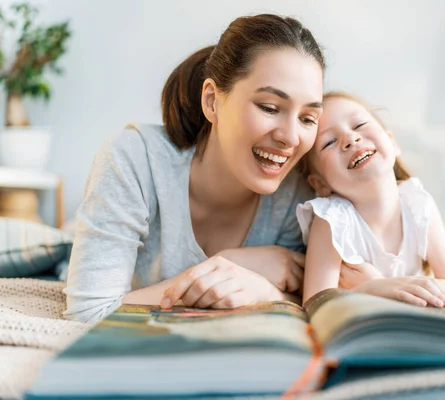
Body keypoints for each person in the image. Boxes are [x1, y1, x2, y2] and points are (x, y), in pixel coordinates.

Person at [63, 14, 326, 324]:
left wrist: (267, 293)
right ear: (212, 101)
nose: (290, 137)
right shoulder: (136, 158)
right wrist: (224, 265)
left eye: (308, 119)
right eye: (269, 108)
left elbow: (310, 304)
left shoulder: (297, 194)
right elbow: (86, 313)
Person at [297, 92, 445, 306]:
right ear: (320, 184)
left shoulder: (417, 205)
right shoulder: (332, 220)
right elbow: (315, 302)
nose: (350, 139)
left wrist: (380, 284)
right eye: (329, 142)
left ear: (392, 143)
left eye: (359, 124)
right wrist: (376, 287)